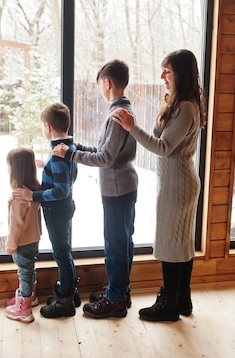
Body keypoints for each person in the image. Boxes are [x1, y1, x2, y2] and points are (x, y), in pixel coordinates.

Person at [113, 49, 206, 322]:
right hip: (178, 181)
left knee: (170, 244)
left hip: (178, 184)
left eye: (167, 71)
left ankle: (168, 303)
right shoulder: (180, 104)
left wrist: (132, 127)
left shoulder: (187, 107)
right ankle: (182, 299)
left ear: (181, 74)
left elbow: (163, 147)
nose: (162, 76)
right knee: (182, 243)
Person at [53, 59, 138, 319]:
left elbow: (105, 159)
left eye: (101, 83)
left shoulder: (116, 115)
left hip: (117, 189)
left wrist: (70, 156)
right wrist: (78, 148)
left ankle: (115, 300)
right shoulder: (124, 110)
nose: (101, 88)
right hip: (124, 186)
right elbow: (104, 151)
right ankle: (119, 291)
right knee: (123, 243)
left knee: (115, 246)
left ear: (107, 82)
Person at [12, 102, 79, 318]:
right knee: (65, 251)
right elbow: (67, 176)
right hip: (64, 209)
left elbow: (61, 190)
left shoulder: (58, 155)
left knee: (61, 254)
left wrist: (33, 195)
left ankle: (66, 300)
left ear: (48, 127)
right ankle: (71, 292)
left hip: (57, 210)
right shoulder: (67, 148)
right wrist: (47, 167)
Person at [3, 147, 42, 323]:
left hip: (23, 241)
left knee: (24, 272)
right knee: (29, 269)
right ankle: (29, 297)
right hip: (33, 239)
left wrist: (11, 245)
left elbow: (16, 226)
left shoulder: (20, 196)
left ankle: (23, 308)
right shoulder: (33, 190)